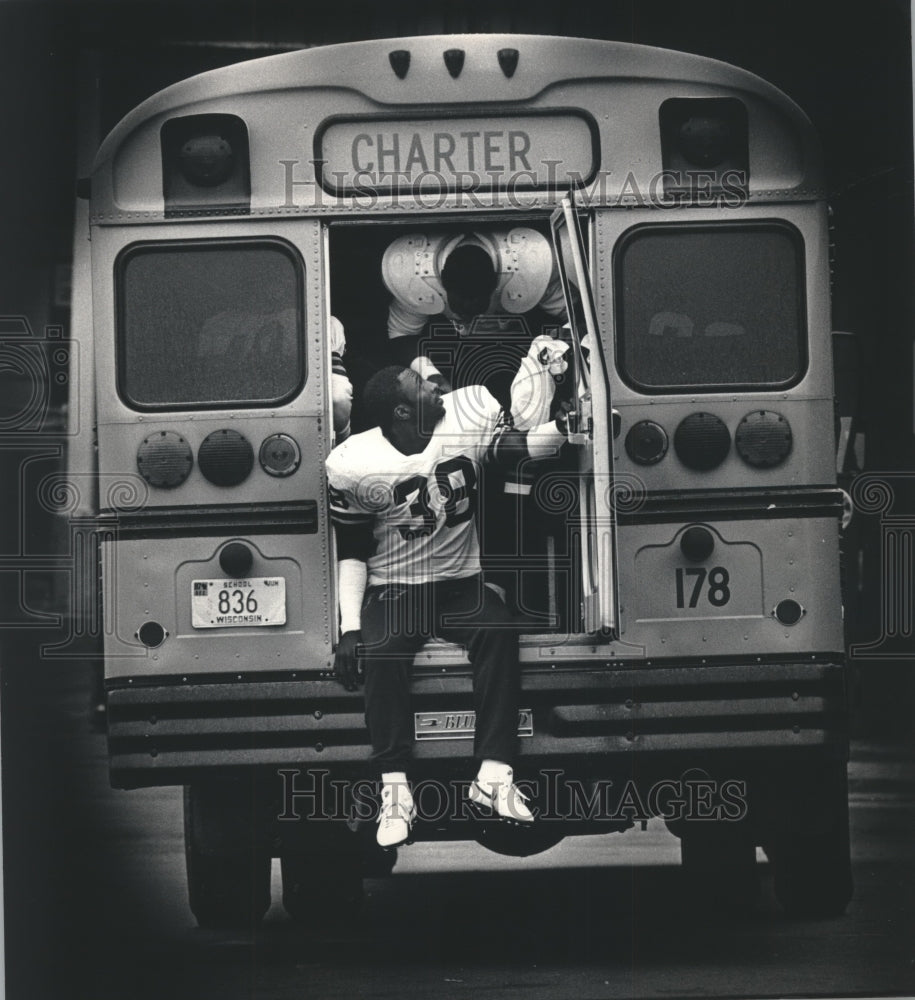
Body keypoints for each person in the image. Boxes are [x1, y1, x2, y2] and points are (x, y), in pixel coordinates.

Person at [326, 365, 571, 848]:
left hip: (460, 583)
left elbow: (511, 452)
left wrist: (560, 427)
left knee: (498, 631)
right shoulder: (353, 462)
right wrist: (350, 626)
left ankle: (494, 776)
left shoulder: (464, 416)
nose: (434, 386)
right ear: (401, 412)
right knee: (381, 651)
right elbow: (353, 549)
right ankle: (394, 790)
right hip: (395, 588)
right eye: (419, 385)